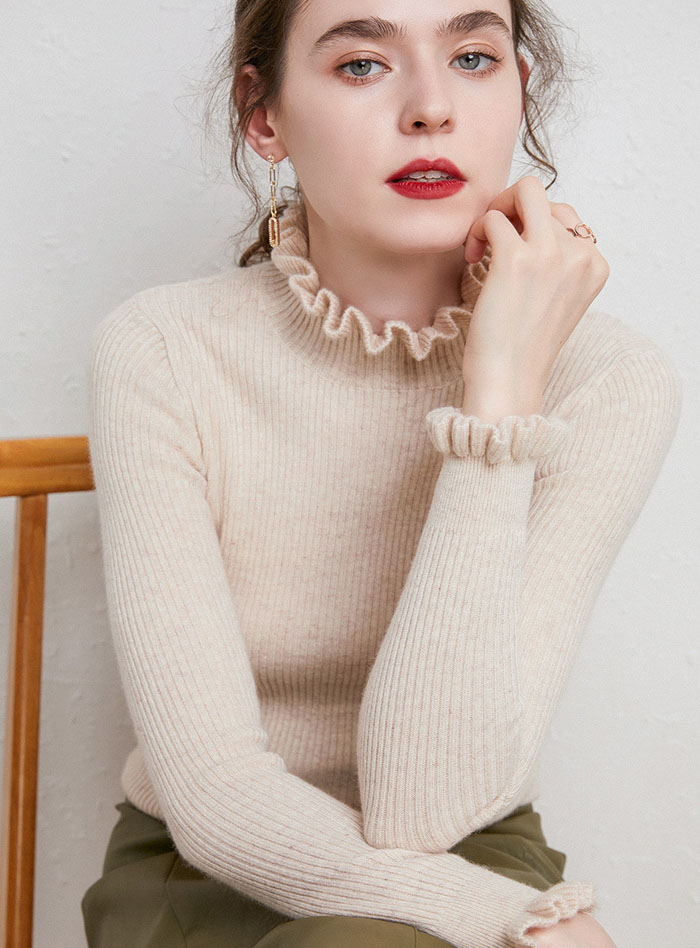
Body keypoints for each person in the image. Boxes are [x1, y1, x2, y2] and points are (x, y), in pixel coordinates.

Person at [80, 1, 682, 947]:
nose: (431, 106)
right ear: (264, 116)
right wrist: (514, 920)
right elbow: (215, 793)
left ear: (521, 90)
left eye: (473, 57)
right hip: (208, 862)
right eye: (362, 64)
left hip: (469, 834)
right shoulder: (164, 351)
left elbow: (420, 806)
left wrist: (501, 395)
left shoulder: (607, 380)